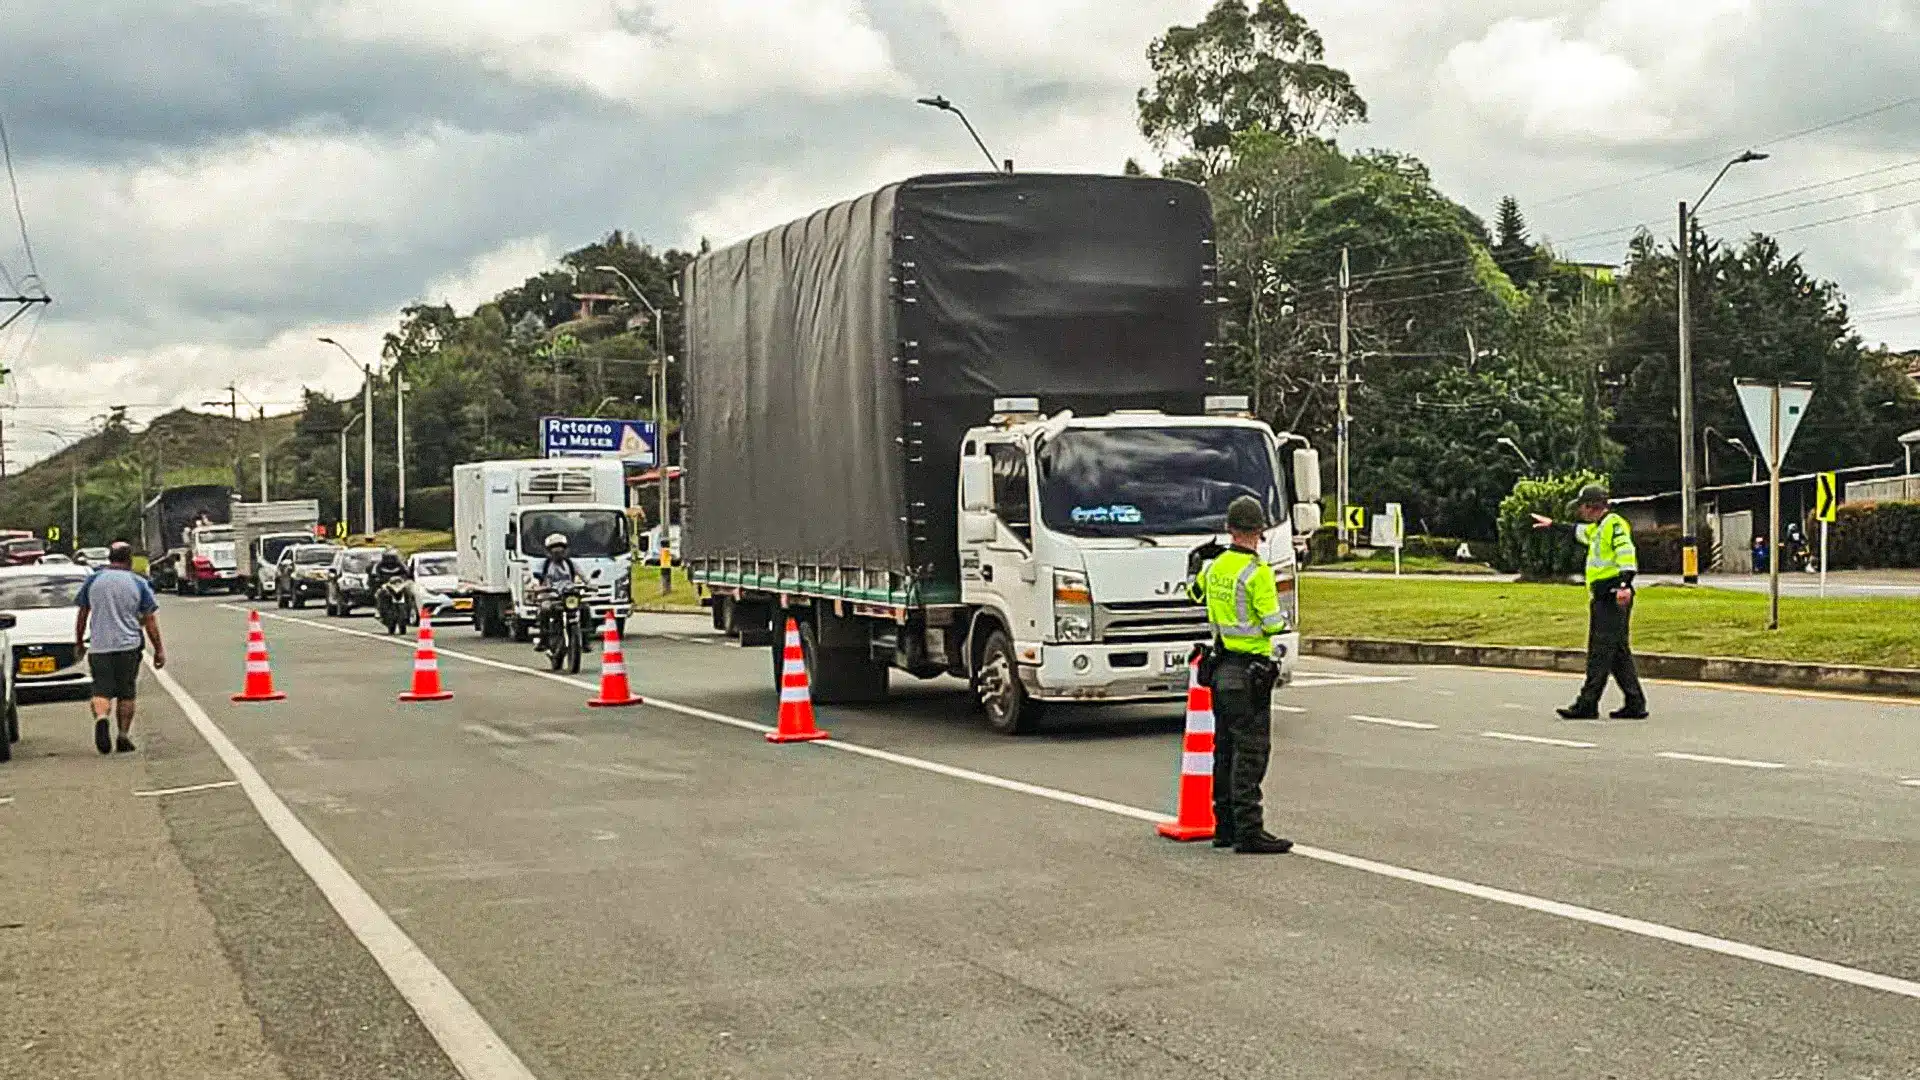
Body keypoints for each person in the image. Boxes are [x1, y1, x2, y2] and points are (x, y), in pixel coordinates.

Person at [1188, 496, 1294, 854]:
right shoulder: (1257, 572)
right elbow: (1272, 623)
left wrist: (1193, 566)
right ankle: (1250, 830)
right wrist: (1282, 622)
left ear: (1229, 529)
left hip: (1221, 668)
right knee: (1252, 752)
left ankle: (1225, 827)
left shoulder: (1215, 567)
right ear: (1260, 531)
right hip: (1251, 672)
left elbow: (1194, 592)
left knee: (1226, 750)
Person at [1531, 485, 1647, 720]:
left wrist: (1624, 584)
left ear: (1590, 506)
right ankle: (1635, 702)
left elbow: (1626, 552)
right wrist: (1553, 525)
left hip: (1613, 594)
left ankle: (1587, 703)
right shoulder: (1599, 528)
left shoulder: (1613, 524)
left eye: (1582, 506)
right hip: (1605, 595)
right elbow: (1578, 531)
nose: (1580, 511)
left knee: (1600, 651)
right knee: (1617, 652)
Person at [74, 541, 165, 755]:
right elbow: (149, 619)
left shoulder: (93, 581)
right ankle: (123, 735)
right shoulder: (138, 582)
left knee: (101, 690)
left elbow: (82, 613)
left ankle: (102, 718)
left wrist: (79, 641)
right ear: (129, 559)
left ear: (110, 558)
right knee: (126, 692)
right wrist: (158, 649)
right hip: (128, 646)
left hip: (99, 646)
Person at [531, 533, 583, 648]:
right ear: (548, 552)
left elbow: (585, 578)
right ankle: (544, 639)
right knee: (544, 609)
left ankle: (585, 638)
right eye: (554, 550)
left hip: (568, 596)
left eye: (561, 549)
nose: (558, 553)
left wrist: (589, 585)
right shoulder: (543, 565)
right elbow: (535, 583)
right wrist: (539, 588)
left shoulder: (571, 564)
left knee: (585, 607)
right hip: (551, 597)